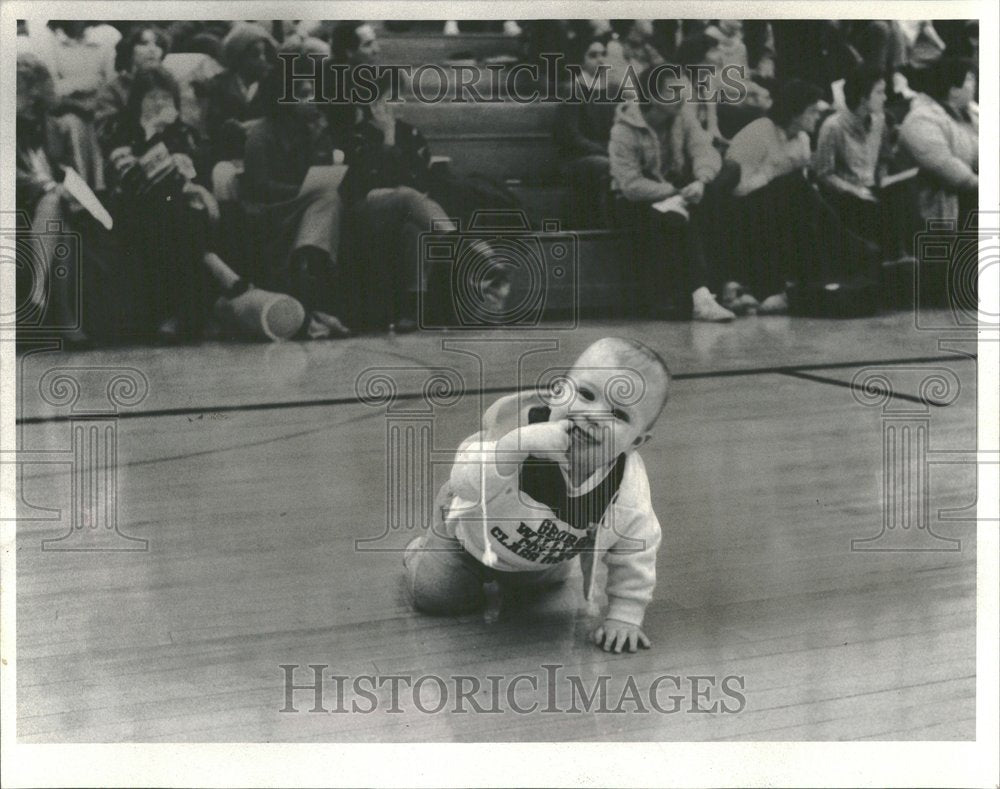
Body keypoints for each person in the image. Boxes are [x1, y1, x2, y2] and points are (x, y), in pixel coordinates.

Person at [405, 337, 669, 654]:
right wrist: (515, 447)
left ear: (637, 440)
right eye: (586, 394)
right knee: (438, 597)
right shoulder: (518, 430)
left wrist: (625, 616)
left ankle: (526, 574)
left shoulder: (626, 487)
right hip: (468, 536)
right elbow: (463, 480)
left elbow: (637, 549)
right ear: (558, 391)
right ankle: (421, 551)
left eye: (618, 414)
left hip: (534, 558)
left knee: (542, 598)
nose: (593, 416)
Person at [608, 65, 746, 321]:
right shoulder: (623, 131)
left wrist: (701, 182)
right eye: (673, 90)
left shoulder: (683, 116)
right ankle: (702, 296)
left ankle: (724, 288)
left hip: (679, 192)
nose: (682, 95)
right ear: (652, 96)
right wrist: (673, 191)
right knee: (677, 218)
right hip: (636, 201)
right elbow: (630, 185)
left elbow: (705, 151)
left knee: (729, 171)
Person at [725, 78, 875, 313]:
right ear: (795, 112)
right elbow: (735, 189)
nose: (817, 117)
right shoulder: (758, 133)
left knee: (804, 192)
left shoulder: (803, 139)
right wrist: (772, 172)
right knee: (796, 188)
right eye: (812, 111)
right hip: (745, 212)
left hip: (783, 208)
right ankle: (849, 248)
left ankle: (831, 269)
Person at [103, 66, 219, 341]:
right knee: (171, 213)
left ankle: (185, 314)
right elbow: (133, 181)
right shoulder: (122, 131)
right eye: (152, 97)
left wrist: (190, 184)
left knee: (181, 213)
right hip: (132, 208)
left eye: (165, 98)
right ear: (138, 101)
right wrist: (150, 134)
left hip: (173, 207)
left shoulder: (184, 133)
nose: (159, 104)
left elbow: (191, 175)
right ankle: (177, 314)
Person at [241, 65, 351, 339]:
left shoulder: (310, 131)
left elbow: (323, 173)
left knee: (327, 198)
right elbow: (260, 187)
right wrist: (301, 192)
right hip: (271, 212)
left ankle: (307, 260)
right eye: (304, 94)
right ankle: (310, 269)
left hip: (305, 208)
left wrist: (318, 140)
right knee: (326, 199)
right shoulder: (260, 135)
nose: (312, 99)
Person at [814, 66, 905, 259]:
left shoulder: (880, 121)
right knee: (871, 210)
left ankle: (902, 259)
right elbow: (824, 174)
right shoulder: (833, 127)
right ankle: (886, 260)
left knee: (904, 195)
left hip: (873, 186)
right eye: (879, 92)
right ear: (863, 98)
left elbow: (883, 157)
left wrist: (882, 178)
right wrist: (854, 190)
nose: (885, 97)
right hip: (845, 195)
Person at [899, 58, 978, 228]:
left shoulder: (969, 112)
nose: (975, 84)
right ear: (954, 90)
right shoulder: (920, 121)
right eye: (970, 79)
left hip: (970, 199)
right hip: (940, 210)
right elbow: (950, 170)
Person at [553, 34, 620, 228]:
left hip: (607, 152)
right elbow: (569, 136)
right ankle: (602, 224)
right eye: (593, 55)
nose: (600, 60)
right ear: (580, 61)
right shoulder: (573, 89)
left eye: (603, 54)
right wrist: (606, 150)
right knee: (606, 165)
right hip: (577, 157)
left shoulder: (612, 89)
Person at [201, 22, 277, 165]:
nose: (263, 60)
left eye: (265, 53)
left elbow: (285, 120)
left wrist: (262, 125)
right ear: (239, 58)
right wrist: (228, 128)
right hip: (228, 156)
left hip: (268, 156)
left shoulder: (274, 84)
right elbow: (210, 128)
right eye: (255, 55)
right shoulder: (218, 85)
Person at [94, 25, 171, 148]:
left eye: (158, 44)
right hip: (126, 152)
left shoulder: (168, 84)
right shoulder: (112, 89)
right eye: (144, 43)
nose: (153, 49)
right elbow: (107, 134)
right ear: (129, 49)